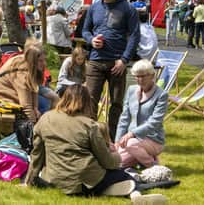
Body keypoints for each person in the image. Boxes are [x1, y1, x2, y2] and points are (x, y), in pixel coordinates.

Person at [24, 85, 167, 205]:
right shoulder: (89, 125)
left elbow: (37, 154)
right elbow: (107, 162)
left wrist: (29, 181)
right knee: (124, 176)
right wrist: (116, 155)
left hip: (54, 179)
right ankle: (136, 196)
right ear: (86, 102)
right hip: (84, 180)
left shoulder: (45, 118)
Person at [82, 0, 140, 141]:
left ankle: (112, 139)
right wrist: (91, 40)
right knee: (90, 100)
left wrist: (124, 60)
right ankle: (89, 138)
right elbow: (85, 30)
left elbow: (135, 36)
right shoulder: (94, 7)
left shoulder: (128, 8)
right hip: (95, 60)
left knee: (116, 104)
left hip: (117, 62)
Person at [115, 59, 168, 169]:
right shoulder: (131, 90)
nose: (140, 79)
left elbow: (155, 122)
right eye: (137, 76)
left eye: (143, 76)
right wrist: (117, 141)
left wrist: (132, 134)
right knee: (116, 164)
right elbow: (124, 118)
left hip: (153, 139)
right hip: (131, 140)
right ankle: (142, 158)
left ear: (152, 75)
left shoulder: (161, 95)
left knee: (131, 144)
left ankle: (153, 167)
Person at [0, 41, 47, 122]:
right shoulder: (22, 73)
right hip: (0, 101)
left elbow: (34, 88)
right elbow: (26, 107)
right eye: (40, 61)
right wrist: (33, 127)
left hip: (11, 95)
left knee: (44, 102)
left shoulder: (25, 60)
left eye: (44, 60)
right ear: (33, 61)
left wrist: (35, 107)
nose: (44, 63)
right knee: (44, 105)